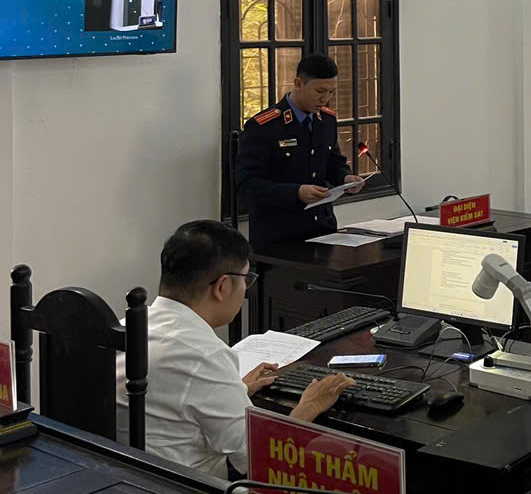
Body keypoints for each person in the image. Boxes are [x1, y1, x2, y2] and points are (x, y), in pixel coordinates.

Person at [115, 221, 354, 478]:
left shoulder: (125, 327)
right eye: (246, 279)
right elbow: (257, 458)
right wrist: (310, 405)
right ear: (223, 286)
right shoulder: (204, 355)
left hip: (124, 477)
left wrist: (234, 390)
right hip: (186, 484)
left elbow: (177, 398)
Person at [237, 54, 364, 248]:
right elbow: (246, 184)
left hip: (323, 229)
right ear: (298, 84)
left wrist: (346, 178)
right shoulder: (265, 125)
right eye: (320, 91)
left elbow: (333, 162)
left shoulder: (326, 120)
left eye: (331, 92)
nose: (325, 99)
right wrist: (295, 193)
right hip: (280, 236)